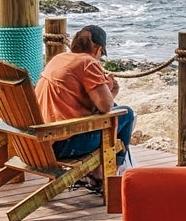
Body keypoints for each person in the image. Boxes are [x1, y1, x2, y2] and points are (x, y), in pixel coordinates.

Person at [34, 24, 134, 192]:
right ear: (97, 48)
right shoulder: (88, 63)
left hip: (41, 141)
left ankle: (95, 173)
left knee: (113, 113)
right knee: (126, 114)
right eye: (101, 54)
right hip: (64, 144)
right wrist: (112, 91)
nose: (99, 58)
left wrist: (106, 93)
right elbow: (105, 106)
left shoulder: (59, 58)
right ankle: (108, 178)